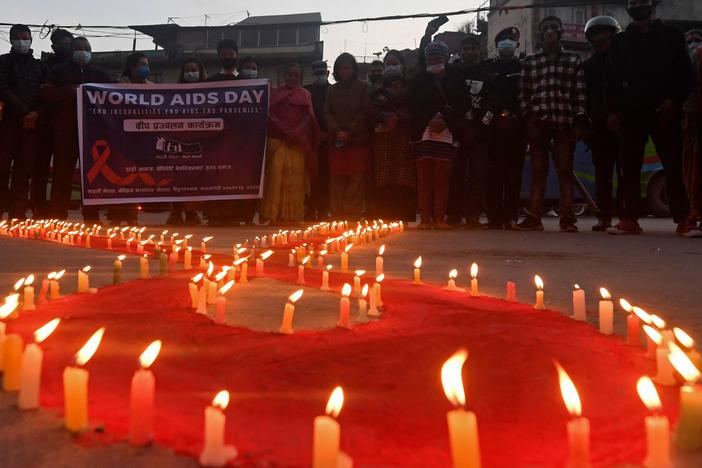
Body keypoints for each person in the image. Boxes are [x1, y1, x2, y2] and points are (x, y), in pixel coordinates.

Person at [605, 0, 694, 235]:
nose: (638, 5)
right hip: (630, 112)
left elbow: (685, 73)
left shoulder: (672, 36)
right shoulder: (620, 41)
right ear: (628, 8)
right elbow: (611, 80)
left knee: (673, 165)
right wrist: (612, 111)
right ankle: (628, 219)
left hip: (664, 111)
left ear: (652, 5)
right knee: (629, 166)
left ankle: (684, 219)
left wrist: (674, 100)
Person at [516, 16, 587, 233]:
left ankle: (567, 219)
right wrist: (529, 118)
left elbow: (580, 94)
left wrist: (579, 120)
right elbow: (523, 93)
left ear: (560, 33)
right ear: (540, 34)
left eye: (553, 28)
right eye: (545, 28)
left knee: (565, 170)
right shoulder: (530, 61)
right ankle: (534, 217)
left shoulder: (573, 60)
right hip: (538, 122)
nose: (549, 32)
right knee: (539, 170)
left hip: (564, 123)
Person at [42, 36, 112, 223]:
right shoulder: (58, 71)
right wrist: (70, 91)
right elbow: (46, 93)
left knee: (93, 175)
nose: (83, 51)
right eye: (79, 48)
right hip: (66, 129)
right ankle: (57, 215)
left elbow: (115, 94)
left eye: (87, 48)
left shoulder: (99, 73)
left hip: (93, 132)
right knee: (62, 173)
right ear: (72, 50)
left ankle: (91, 216)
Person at [408, 40, 466, 229]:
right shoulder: (418, 80)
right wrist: (429, 120)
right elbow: (413, 105)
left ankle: (440, 217)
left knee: (442, 179)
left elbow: (464, 103)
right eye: (430, 57)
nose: (433, 60)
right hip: (424, 132)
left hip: (447, 132)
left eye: (437, 57)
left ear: (445, 58)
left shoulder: (456, 78)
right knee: (424, 179)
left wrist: (445, 118)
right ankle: (425, 218)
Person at [204, 39, 255, 225]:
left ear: (236, 56)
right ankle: (213, 215)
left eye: (231, 55)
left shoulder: (246, 83)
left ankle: (230, 215)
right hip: (214, 138)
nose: (228, 58)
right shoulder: (208, 83)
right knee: (213, 176)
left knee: (233, 176)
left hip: (237, 140)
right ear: (218, 57)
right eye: (224, 55)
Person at [261, 64, 320, 224]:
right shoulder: (275, 93)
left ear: (300, 78)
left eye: (296, 76)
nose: (293, 78)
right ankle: (272, 214)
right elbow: (268, 114)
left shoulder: (305, 94)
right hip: (277, 139)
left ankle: (292, 214)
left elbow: (308, 116)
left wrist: (296, 132)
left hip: (297, 141)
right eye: (290, 75)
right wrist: (283, 131)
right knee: (275, 176)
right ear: (285, 75)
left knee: (295, 177)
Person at [0, 24, 48, 220]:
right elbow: (2, 89)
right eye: (18, 38)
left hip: (32, 127)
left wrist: (36, 114)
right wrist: (25, 113)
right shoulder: (3, 62)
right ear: (11, 40)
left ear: (31, 39)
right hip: (8, 124)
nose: (22, 41)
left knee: (24, 171)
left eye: (25, 37)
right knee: (1, 168)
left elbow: (46, 95)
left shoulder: (41, 67)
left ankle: (18, 214)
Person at [450, 34, 495, 229]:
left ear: (479, 51)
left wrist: (480, 126)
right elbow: (448, 102)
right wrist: (457, 125)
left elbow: (493, 104)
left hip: (480, 134)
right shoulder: (453, 74)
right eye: (465, 49)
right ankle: (453, 215)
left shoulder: (488, 75)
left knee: (477, 175)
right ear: (460, 52)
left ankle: (474, 216)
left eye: (473, 48)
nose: (469, 52)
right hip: (456, 132)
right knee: (455, 174)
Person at [483, 27, 526, 230]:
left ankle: (510, 217)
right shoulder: (488, 67)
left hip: (516, 128)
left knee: (513, 174)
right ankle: (493, 217)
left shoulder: (523, 67)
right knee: (492, 173)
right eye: (503, 41)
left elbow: (527, 93)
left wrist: (514, 116)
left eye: (511, 40)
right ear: (496, 45)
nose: (506, 44)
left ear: (516, 44)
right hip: (492, 129)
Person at [583, 16, 622, 231]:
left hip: (625, 125)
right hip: (598, 128)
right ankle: (604, 216)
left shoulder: (625, 62)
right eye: (597, 34)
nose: (602, 37)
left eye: (606, 33)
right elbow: (585, 98)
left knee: (627, 173)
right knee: (603, 174)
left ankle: (627, 215)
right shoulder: (588, 66)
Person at [106, 52, 153, 226]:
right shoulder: (117, 86)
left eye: (147, 64)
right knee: (118, 177)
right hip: (120, 138)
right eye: (141, 64)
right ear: (131, 67)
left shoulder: (152, 87)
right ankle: (116, 214)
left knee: (136, 178)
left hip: (141, 139)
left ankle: (132, 213)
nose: (145, 68)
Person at [324, 53, 372, 220]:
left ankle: (352, 216)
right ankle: (337, 216)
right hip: (336, 142)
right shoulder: (331, 89)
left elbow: (365, 112)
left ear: (354, 69)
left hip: (357, 141)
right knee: (336, 180)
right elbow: (327, 113)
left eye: (349, 67)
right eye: (342, 68)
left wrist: (349, 131)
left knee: (356, 180)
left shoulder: (364, 87)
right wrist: (337, 131)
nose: (345, 71)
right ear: (336, 70)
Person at [33, 28, 73, 218]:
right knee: (41, 169)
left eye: (68, 44)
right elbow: (43, 94)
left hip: (68, 127)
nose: (65, 47)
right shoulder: (44, 67)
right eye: (61, 44)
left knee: (63, 171)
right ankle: (39, 209)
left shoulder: (77, 68)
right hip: (46, 124)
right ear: (53, 46)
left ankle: (59, 210)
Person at [368, 62, 416, 222]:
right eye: (389, 64)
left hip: (403, 139)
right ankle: (382, 216)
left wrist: (397, 116)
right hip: (382, 140)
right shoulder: (376, 93)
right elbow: (370, 111)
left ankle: (402, 215)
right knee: (383, 178)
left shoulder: (410, 92)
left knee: (402, 178)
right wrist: (384, 116)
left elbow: (414, 111)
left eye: (396, 64)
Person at [165, 58, 209, 226]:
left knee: (195, 179)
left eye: (194, 69)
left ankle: (191, 213)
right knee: (177, 177)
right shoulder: (175, 93)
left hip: (200, 140)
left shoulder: (210, 92)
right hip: (178, 140)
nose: (191, 73)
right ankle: (176, 212)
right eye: (187, 70)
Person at [304, 60, 331, 221]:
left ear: (327, 74)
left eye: (322, 72)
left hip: (330, 139)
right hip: (309, 140)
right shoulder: (306, 91)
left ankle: (323, 210)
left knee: (326, 177)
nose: (320, 75)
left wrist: (328, 133)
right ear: (312, 74)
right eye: (317, 73)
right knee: (310, 177)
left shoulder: (333, 90)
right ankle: (309, 209)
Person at [682, 29, 702, 236]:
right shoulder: (685, 62)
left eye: (697, 40)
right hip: (692, 118)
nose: (694, 44)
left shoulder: (697, 56)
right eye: (690, 41)